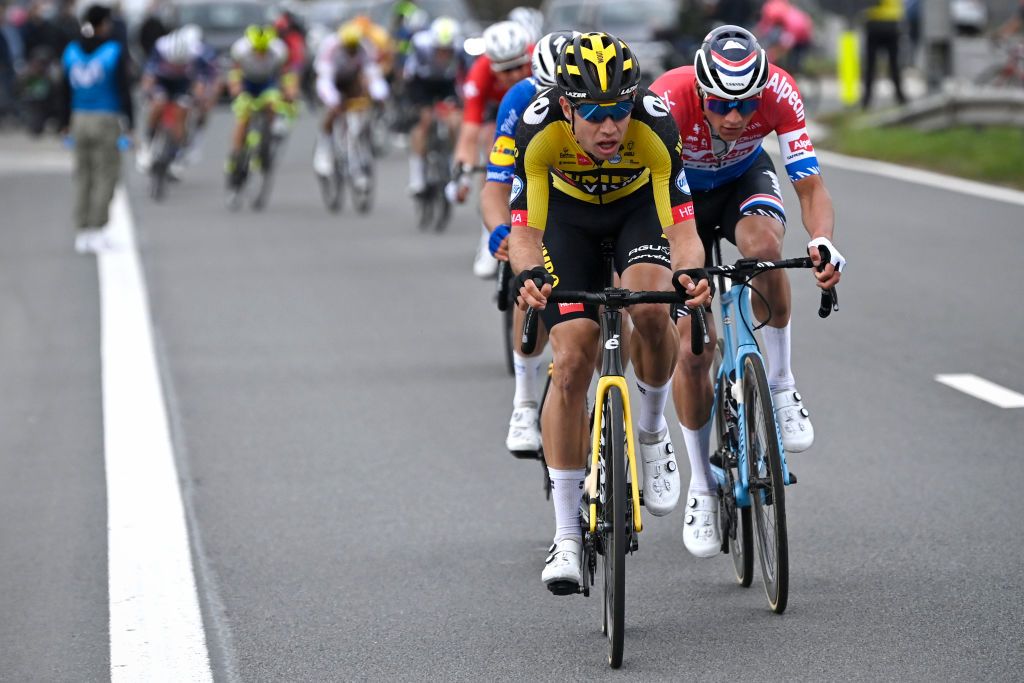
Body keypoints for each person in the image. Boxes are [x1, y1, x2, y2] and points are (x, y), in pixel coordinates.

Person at [509, 32, 712, 592]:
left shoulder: (654, 126)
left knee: (651, 308)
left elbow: (684, 229)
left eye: (619, 109)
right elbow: (525, 232)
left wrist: (690, 274)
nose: (610, 127)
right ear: (567, 106)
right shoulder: (539, 129)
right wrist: (528, 275)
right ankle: (567, 536)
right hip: (568, 224)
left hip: (635, 215)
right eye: (595, 113)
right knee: (573, 359)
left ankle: (650, 434)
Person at [649, 25, 845, 556]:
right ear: (699, 89)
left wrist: (823, 241)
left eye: (745, 105)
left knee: (763, 248)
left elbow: (809, 183)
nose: (734, 118)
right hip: (678, 194)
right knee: (693, 345)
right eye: (720, 104)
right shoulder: (666, 100)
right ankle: (702, 486)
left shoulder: (780, 90)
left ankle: (780, 385)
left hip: (741, 181)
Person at [479, 30, 578, 455]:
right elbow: (496, 185)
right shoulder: (520, 99)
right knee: (530, 284)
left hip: (594, 201)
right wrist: (500, 230)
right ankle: (524, 401)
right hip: (537, 201)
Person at [457, 20, 533, 279]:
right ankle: (489, 233)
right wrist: (463, 173)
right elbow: (469, 130)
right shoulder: (479, 73)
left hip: (534, 108)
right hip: (498, 115)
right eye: (505, 69)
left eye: (518, 66)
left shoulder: (539, 61)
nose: (513, 75)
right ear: (491, 66)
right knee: (490, 140)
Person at [59, 3, 133, 253]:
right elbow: (124, 90)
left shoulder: (71, 50)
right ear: (103, 24)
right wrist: (130, 123)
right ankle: (98, 227)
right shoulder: (113, 51)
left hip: (78, 117)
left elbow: (64, 91)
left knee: (83, 174)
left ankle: (82, 230)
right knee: (106, 173)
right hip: (105, 117)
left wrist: (63, 123)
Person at [312, 22, 388, 180]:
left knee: (363, 103)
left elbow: (372, 74)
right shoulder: (331, 48)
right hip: (333, 80)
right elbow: (325, 80)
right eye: (349, 47)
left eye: (355, 47)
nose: (352, 50)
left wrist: (379, 95)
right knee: (333, 111)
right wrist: (333, 100)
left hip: (352, 80)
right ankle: (323, 151)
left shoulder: (364, 47)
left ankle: (361, 146)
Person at [137, 25, 216, 172]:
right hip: (163, 81)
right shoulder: (161, 47)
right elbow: (149, 75)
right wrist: (146, 92)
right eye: (173, 63)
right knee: (157, 105)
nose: (175, 66)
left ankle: (177, 151)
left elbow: (201, 81)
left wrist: (200, 99)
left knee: (181, 113)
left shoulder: (197, 53)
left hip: (183, 84)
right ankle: (148, 143)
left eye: (180, 64)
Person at [224, 25, 295, 187]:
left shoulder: (279, 51)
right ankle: (235, 154)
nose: (260, 53)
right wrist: (235, 88)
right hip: (247, 83)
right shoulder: (240, 50)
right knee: (243, 119)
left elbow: (287, 74)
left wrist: (290, 91)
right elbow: (234, 74)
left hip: (266, 83)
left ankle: (266, 135)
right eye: (257, 50)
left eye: (263, 50)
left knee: (272, 104)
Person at [402, 16, 466, 194]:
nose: (444, 54)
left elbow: (464, 76)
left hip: (445, 83)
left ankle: (453, 161)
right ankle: (417, 177)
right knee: (425, 120)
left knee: (455, 120)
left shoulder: (460, 48)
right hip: (420, 82)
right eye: (440, 50)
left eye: (448, 50)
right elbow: (409, 75)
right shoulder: (420, 45)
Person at [861, 0, 906, 108]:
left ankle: (866, 100)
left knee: (870, 65)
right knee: (894, 65)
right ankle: (900, 97)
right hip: (891, 24)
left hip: (875, 23)